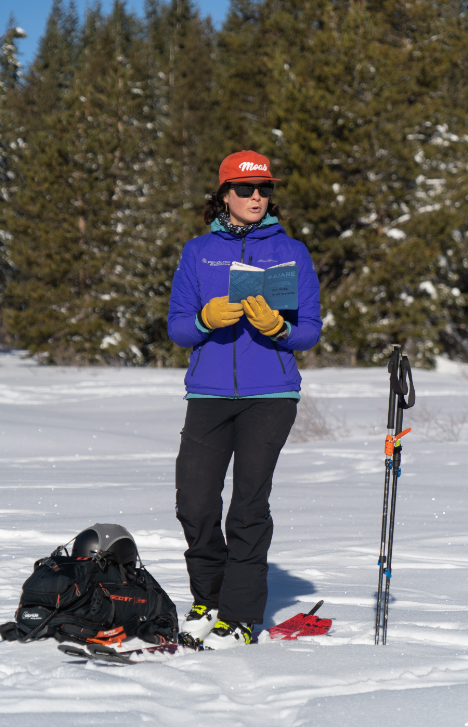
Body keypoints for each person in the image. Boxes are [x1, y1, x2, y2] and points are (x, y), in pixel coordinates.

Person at [167, 149, 321, 649]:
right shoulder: (198, 251)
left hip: (271, 394)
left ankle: (239, 617)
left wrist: (279, 328)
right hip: (209, 393)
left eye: (264, 189)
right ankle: (207, 599)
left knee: (248, 506)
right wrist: (205, 319)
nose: (257, 197)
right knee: (194, 501)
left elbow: (310, 332)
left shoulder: (292, 252)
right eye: (245, 189)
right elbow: (177, 327)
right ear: (224, 196)